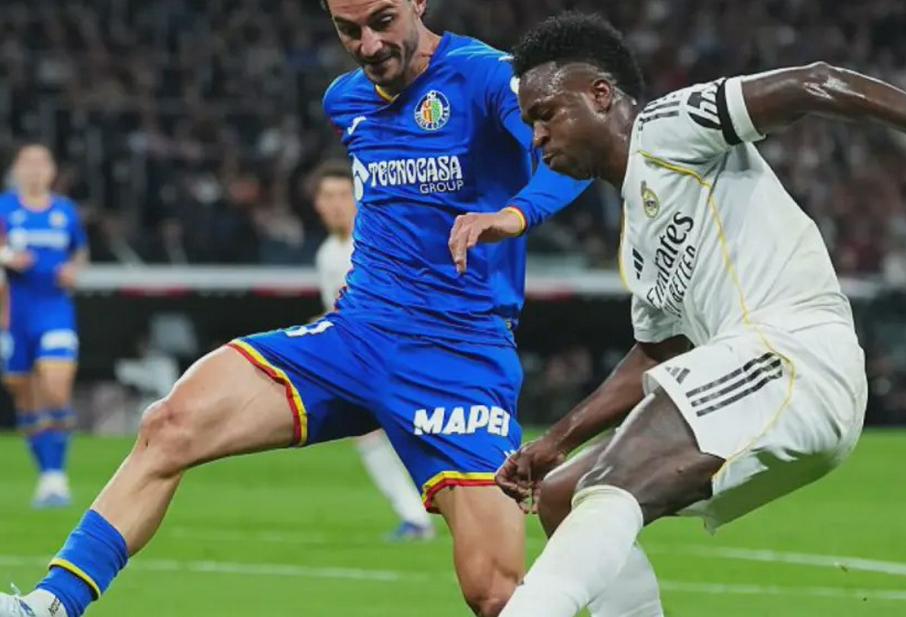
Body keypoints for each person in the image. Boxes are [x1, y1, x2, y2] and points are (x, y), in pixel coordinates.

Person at [0, 1, 588, 615]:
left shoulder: (488, 75)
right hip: (355, 336)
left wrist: (513, 214)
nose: (367, 45)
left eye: (382, 21)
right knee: (170, 424)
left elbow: (573, 148)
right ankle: (50, 605)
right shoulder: (346, 100)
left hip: (457, 354)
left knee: (495, 594)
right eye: (348, 30)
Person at [453, 13, 906, 616]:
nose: (536, 137)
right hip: (757, 381)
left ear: (601, 94)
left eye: (546, 114)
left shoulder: (666, 127)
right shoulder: (636, 242)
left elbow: (812, 82)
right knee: (564, 496)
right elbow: (659, 352)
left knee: (613, 480)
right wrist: (555, 442)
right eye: (530, 123)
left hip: (794, 355)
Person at [310, 162, 435, 541]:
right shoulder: (327, 253)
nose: (336, 204)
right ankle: (417, 518)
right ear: (317, 204)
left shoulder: (375, 241)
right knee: (373, 434)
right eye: (328, 196)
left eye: (343, 195)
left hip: (406, 349)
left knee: (428, 433)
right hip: (370, 357)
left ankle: (431, 513)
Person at [0, 143, 88, 510]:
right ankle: (49, 476)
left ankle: (57, 475)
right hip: (14, 313)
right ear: (17, 170)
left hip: (54, 310)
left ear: (52, 171)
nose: (35, 169)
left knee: (55, 387)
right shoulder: (5, 208)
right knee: (25, 395)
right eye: (28, 163)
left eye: (42, 162)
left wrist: (74, 270)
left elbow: (80, 251)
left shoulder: (65, 211)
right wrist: (8, 257)